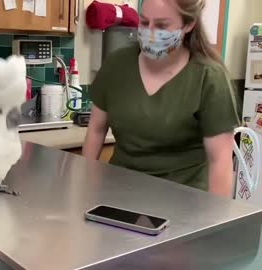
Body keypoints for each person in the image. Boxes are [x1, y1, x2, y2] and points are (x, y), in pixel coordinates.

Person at [82, 0, 240, 198]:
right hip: (118, 197)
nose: (150, 32)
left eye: (162, 25)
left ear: (189, 25)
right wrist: (86, 187)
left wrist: (216, 223)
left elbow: (220, 161)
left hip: (183, 206)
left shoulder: (209, 78)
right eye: (144, 22)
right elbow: (96, 130)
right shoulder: (117, 65)